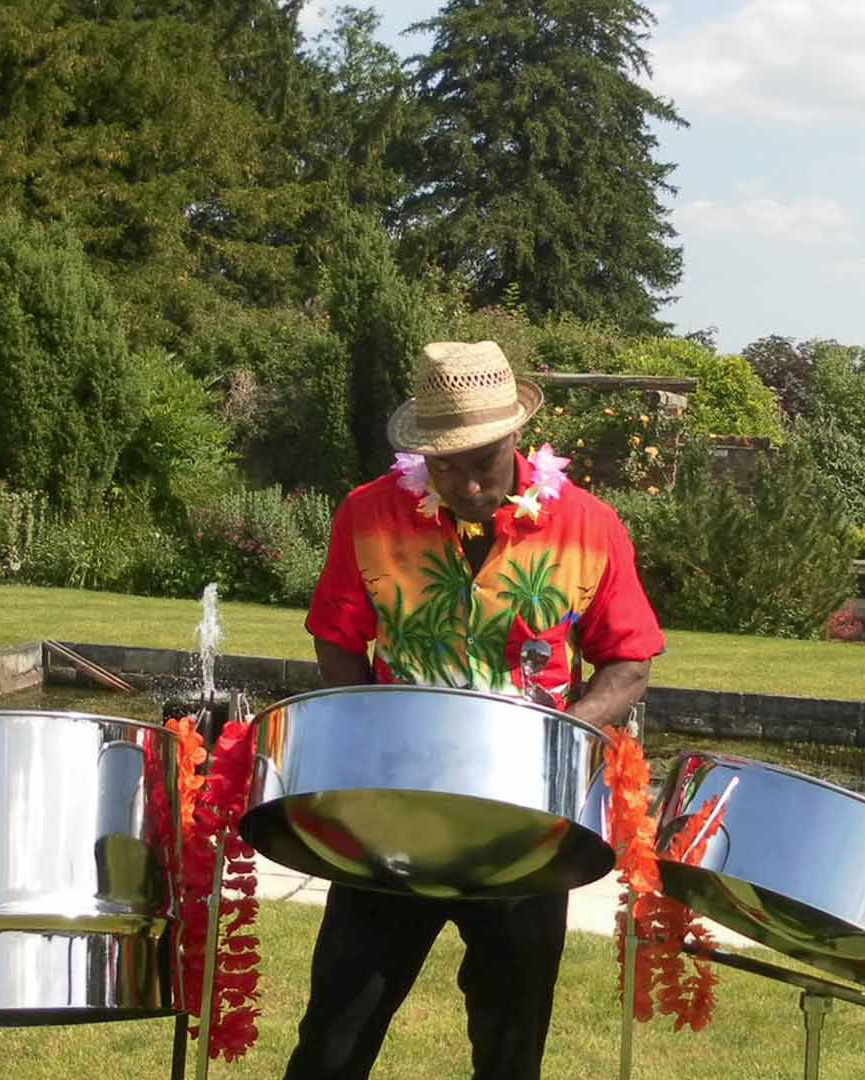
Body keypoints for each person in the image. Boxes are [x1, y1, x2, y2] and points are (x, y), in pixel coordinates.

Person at [289, 340, 666, 1080]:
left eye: (480, 462)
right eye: (445, 463)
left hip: (523, 828)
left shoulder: (589, 526)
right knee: (335, 1031)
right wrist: (369, 739)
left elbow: (630, 661)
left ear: (516, 438)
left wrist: (554, 747)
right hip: (395, 814)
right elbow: (336, 639)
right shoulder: (368, 514)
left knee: (509, 1047)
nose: (464, 483)